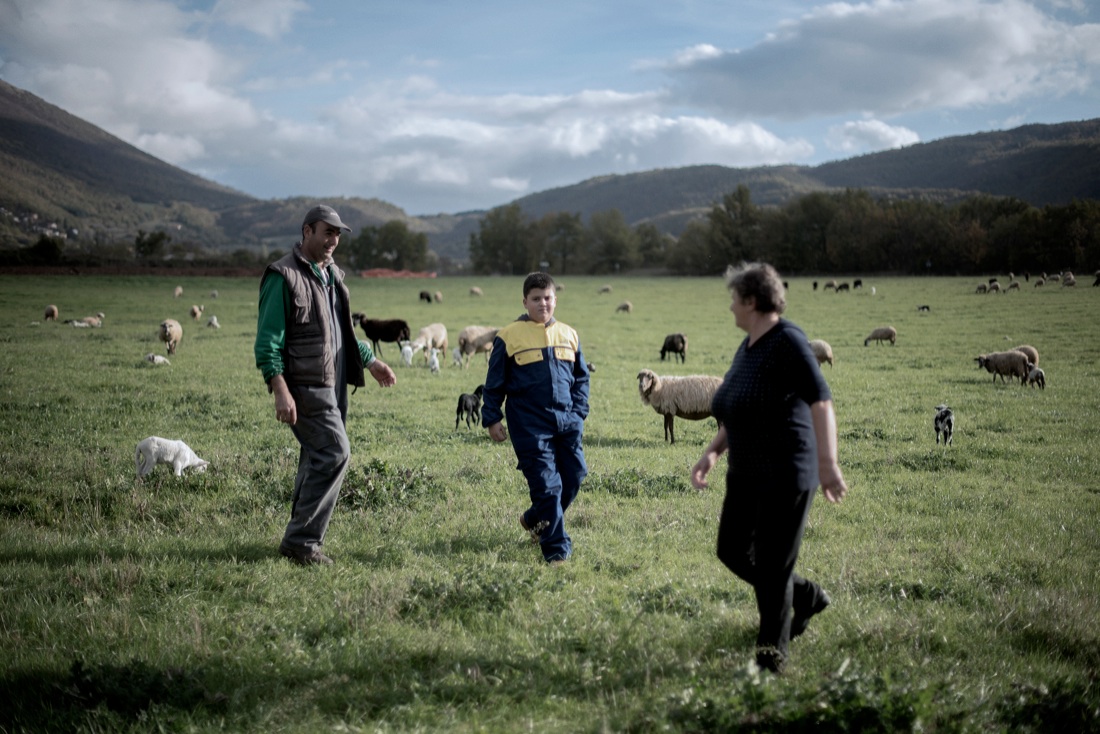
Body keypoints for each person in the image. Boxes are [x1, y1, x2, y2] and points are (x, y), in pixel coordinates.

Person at [690, 262, 848, 673]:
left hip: (786, 472)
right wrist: (713, 451)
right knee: (732, 550)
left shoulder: (788, 341)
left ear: (752, 301)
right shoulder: (748, 347)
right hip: (745, 471)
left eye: (733, 300)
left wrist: (828, 463)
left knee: (774, 572)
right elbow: (735, 404)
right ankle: (807, 595)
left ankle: (770, 666)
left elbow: (821, 400)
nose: (730, 308)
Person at [255, 204, 396, 566]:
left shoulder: (331, 275)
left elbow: (340, 332)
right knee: (335, 452)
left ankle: (298, 537)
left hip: (333, 383)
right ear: (307, 232)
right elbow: (268, 340)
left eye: (337, 234)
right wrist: (280, 389)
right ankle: (301, 543)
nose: (333, 240)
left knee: (316, 456)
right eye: (326, 232)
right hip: (304, 385)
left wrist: (370, 359)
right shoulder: (282, 276)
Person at [482, 272, 590, 564]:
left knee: (575, 475)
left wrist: (579, 413)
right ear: (525, 301)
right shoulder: (508, 336)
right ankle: (557, 550)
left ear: (555, 299)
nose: (543, 303)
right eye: (536, 299)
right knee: (547, 486)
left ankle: (534, 518)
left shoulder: (569, 334)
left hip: (567, 422)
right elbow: (494, 383)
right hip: (529, 425)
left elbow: (581, 378)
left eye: (547, 298)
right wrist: (492, 418)